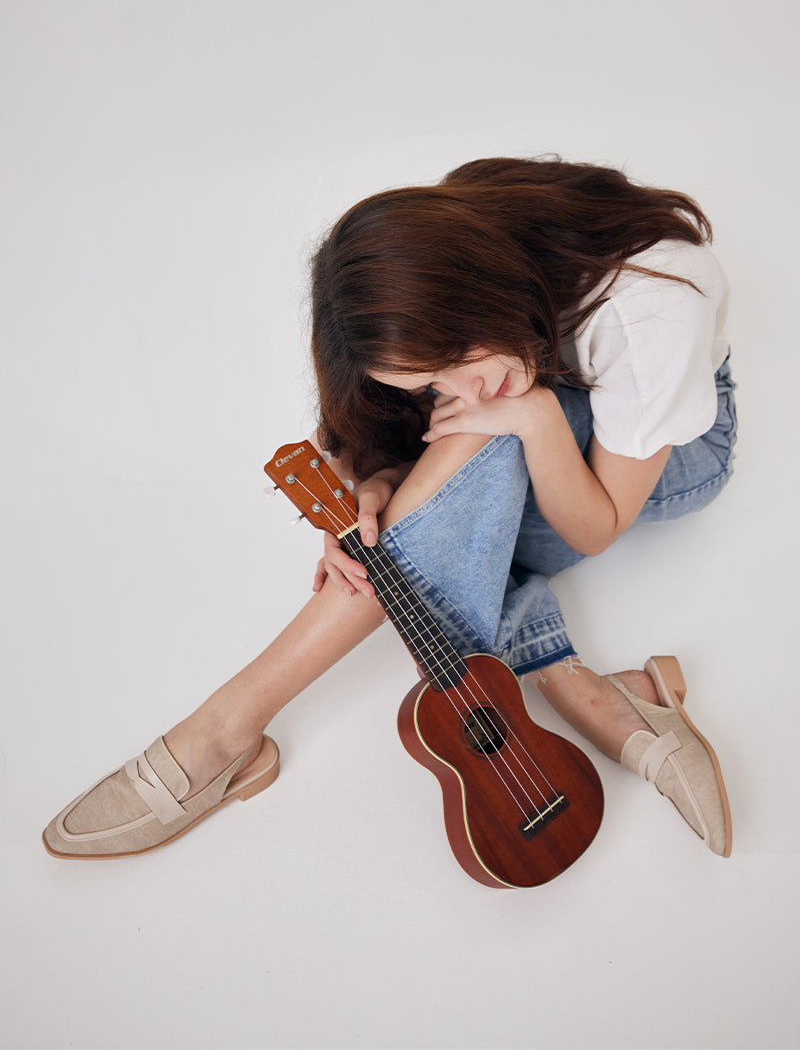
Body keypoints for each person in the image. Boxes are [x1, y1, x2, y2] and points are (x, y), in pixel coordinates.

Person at [43, 156, 736, 861]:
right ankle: (583, 681)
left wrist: (534, 419)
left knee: (478, 430)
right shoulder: (453, 264)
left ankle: (224, 731)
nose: (451, 386)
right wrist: (370, 485)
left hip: (668, 459)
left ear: (469, 291)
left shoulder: (651, 306)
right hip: (560, 400)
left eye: (450, 358)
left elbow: (595, 526)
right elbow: (378, 415)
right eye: (429, 381)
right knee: (459, 449)